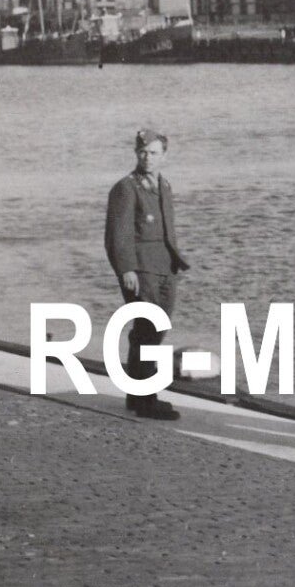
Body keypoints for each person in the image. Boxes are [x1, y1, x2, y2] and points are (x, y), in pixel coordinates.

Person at [105, 127, 191, 420]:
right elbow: (118, 234)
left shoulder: (164, 186)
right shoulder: (126, 188)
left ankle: (136, 395)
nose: (147, 158)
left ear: (164, 156)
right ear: (136, 153)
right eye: (142, 152)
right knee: (147, 331)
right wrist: (126, 268)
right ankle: (146, 400)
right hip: (141, 271)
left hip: (165, 268)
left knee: (156, 329)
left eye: (153, 153)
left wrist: (175, 262)